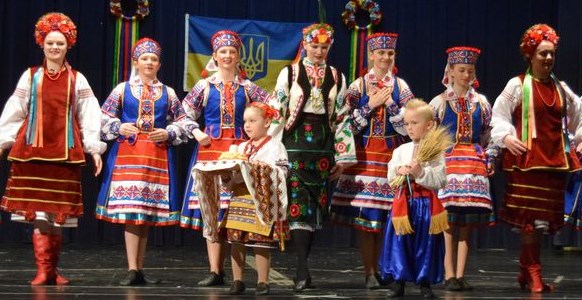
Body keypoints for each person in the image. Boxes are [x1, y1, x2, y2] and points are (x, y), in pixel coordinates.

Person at [0, 12, 105, 285]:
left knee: (58, 212)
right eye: (50, 43)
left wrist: (94, 148)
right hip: (32, 152)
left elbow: (89, 113)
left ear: (68, 45)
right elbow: (15, 109)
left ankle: (53, 269)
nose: (55, 48)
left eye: (59, 43)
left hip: (64, 153)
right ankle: (43, 269)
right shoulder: (30, 76)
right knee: (39, 212)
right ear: (42, 45)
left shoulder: (77, 79)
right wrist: (3, 140)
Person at [489, 24, 582, 293]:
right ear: (530, 55)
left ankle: (525, 270)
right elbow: (499, 115)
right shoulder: (517, 85)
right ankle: (533, 271)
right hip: (527, 163)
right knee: (529, 220)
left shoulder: (561, 88)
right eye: (543, 54)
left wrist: (578, 140)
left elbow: (578, 116)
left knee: (541, 220)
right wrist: (506, 137)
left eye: (551, 53)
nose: (548, 58)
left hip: (553, 162)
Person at [180, 30, 273, 287]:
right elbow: (183, 114)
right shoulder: (204, 86)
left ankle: (237, 276)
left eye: (232, 52)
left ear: (238, 56)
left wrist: (258, 136)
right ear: (215, 56)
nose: (228, 55)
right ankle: (214, 270)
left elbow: (272, 108)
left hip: (238, 153)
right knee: (212, 209)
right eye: (223, 52)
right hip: (210, 151)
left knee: (234, 210)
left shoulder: (248, 87)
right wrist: (197, 131)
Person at [96, 37, 192, 286]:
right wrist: (120, 126)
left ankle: (139, 268)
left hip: (156, 155)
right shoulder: (122, 89)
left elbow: (183, 121)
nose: (149, 62)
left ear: (159, 64)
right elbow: (101, 118)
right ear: (135, 62)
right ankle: (132, 268)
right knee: (132, 213)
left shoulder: (168, 92)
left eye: (154, 59)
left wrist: (169, 132)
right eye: (145, 58)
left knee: (145, 213)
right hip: (129, 155)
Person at [269, 23, 356, 292]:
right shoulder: (290, 73)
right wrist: (270, 149)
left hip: (322, 147)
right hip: (294, 145)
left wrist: (343, 156)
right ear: (305, 45)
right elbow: (277, 110)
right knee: (297, 206)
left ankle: (302, 267)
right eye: (314, 46)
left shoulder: (337, 77)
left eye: (324, 47)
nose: (319, 51)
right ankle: (301, 269)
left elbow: (342, 118)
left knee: (314, 210)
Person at [330, 32, 413, 289]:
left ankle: (386, 268)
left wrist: (389, 103)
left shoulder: (401, 87)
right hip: (364, 158)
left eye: (390, 53)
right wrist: (369, 105)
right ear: (371, 55)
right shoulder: (358, 86)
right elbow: (346, 125)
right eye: (381, 53)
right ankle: (369, 272)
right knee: (367, 221)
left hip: (390, 158)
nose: (385, 58)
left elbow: (409, 127)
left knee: (388, 219)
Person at [192, 102, 288, 295]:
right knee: (236, 241)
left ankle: (262, 281)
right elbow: (230, 180)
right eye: (245, 121)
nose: (248, 125)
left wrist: (254, 168)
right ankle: (237, 280)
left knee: (260, 242)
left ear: (267, 122)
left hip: (260, 202)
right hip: (239, 198)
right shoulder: (241, 147)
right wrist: (227, 174)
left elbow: (282, 172)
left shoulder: (275, 146)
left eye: (253, 121)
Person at [428, 46, 495, 291]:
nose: (466, 75)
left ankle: (460, 273)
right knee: (448, 222)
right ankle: (448, 274)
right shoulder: (439, 102)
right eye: (461, 70)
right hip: (449, 165)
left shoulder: (482, 102)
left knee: (466, 224)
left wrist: (489, 156)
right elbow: (430, 135)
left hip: (473, 165)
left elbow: (488, 134)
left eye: (470, 70)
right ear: (451, 72)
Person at [380, 99, 448, 298]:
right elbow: (390, 174)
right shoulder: (401, 150)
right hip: (404, 205)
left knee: (425, 245)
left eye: (414, 123)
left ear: (429, 125)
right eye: (407, 123)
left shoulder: (435, 152)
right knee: (400, 242)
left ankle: (425, 282)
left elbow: (440, 180)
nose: (409, 127)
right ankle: (398, 281)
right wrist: (398, 171)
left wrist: (420, 173)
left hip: (426, 207)